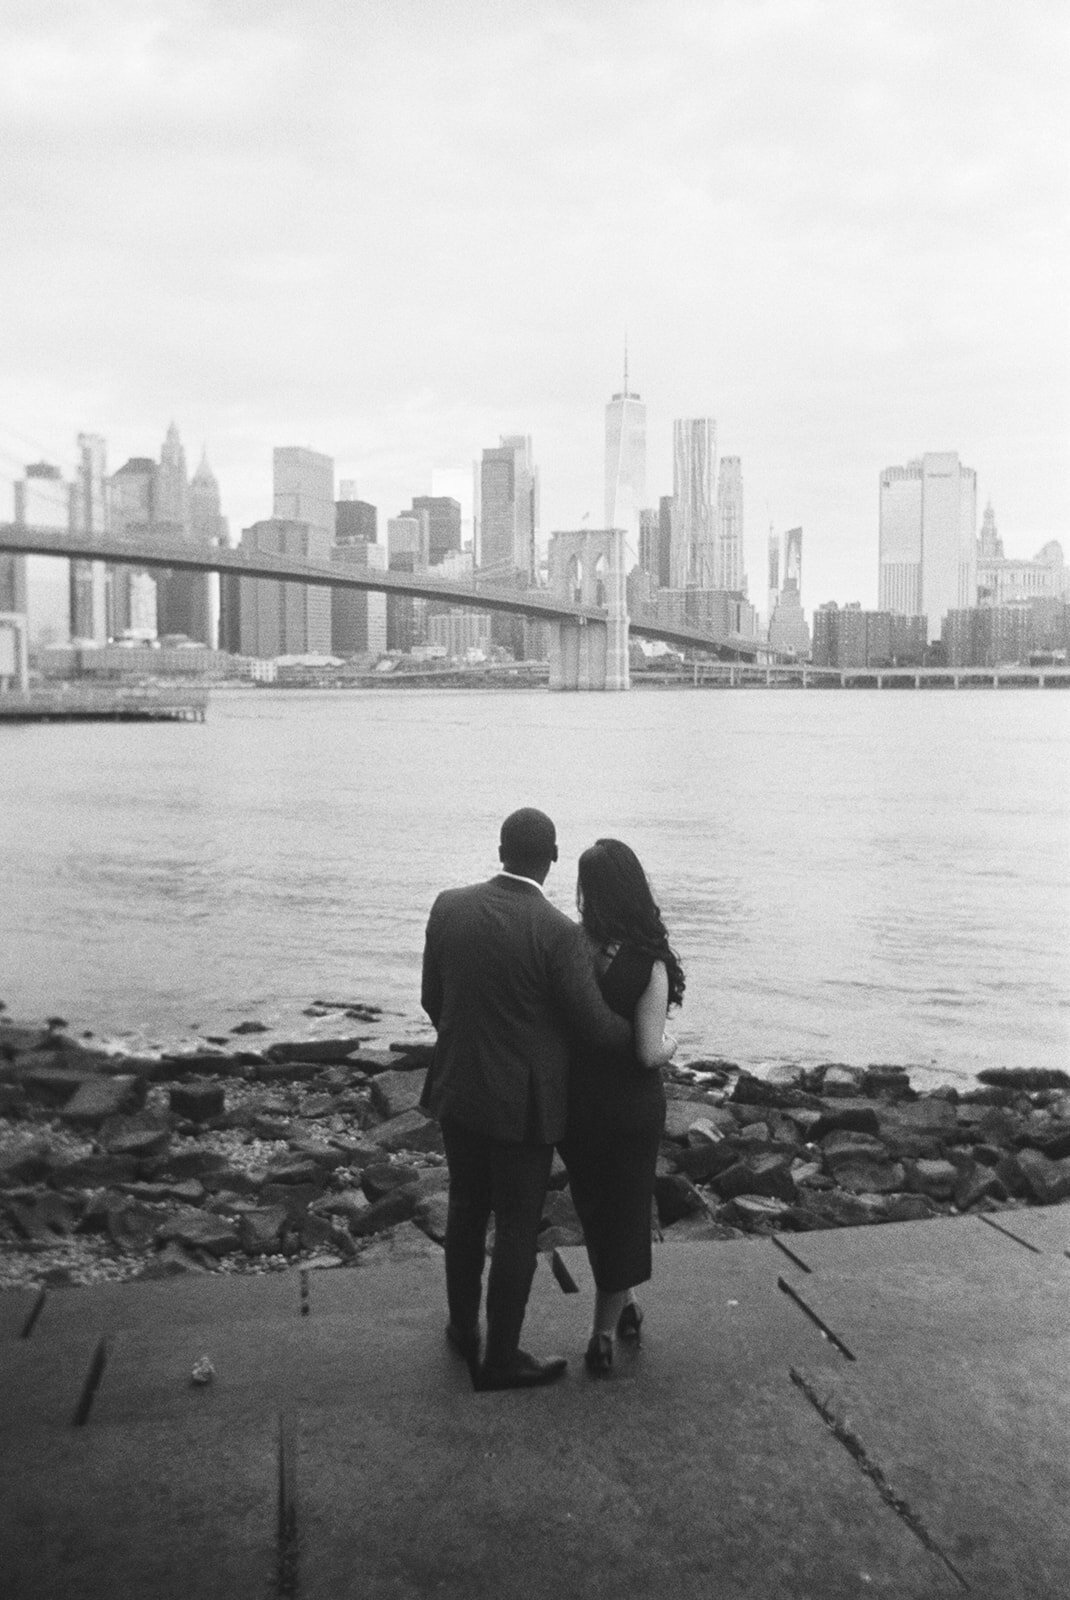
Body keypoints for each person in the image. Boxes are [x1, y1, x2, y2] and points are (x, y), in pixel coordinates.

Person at [420, 807, 633, 1391]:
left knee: (466, 1209)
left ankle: (464, 1329)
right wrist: (647, 1034)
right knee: (516, 1227)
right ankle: (503, 1357)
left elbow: (431, 999)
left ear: (500, 849)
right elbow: (593, 1026)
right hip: (525, 1106)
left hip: (459, 1089)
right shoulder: (558, 931)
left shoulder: (449, 906)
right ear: (554, 857)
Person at [557, 838, 684, 1376]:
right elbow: (648, 1050)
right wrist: (676, 1047)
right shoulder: (648, 964)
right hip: (630, 1108)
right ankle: (601, 1335)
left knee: (600, 1212)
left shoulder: (569, 947)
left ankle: (627, 1307)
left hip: (577, 1106)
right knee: (627, 1213)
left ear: (589, 890)